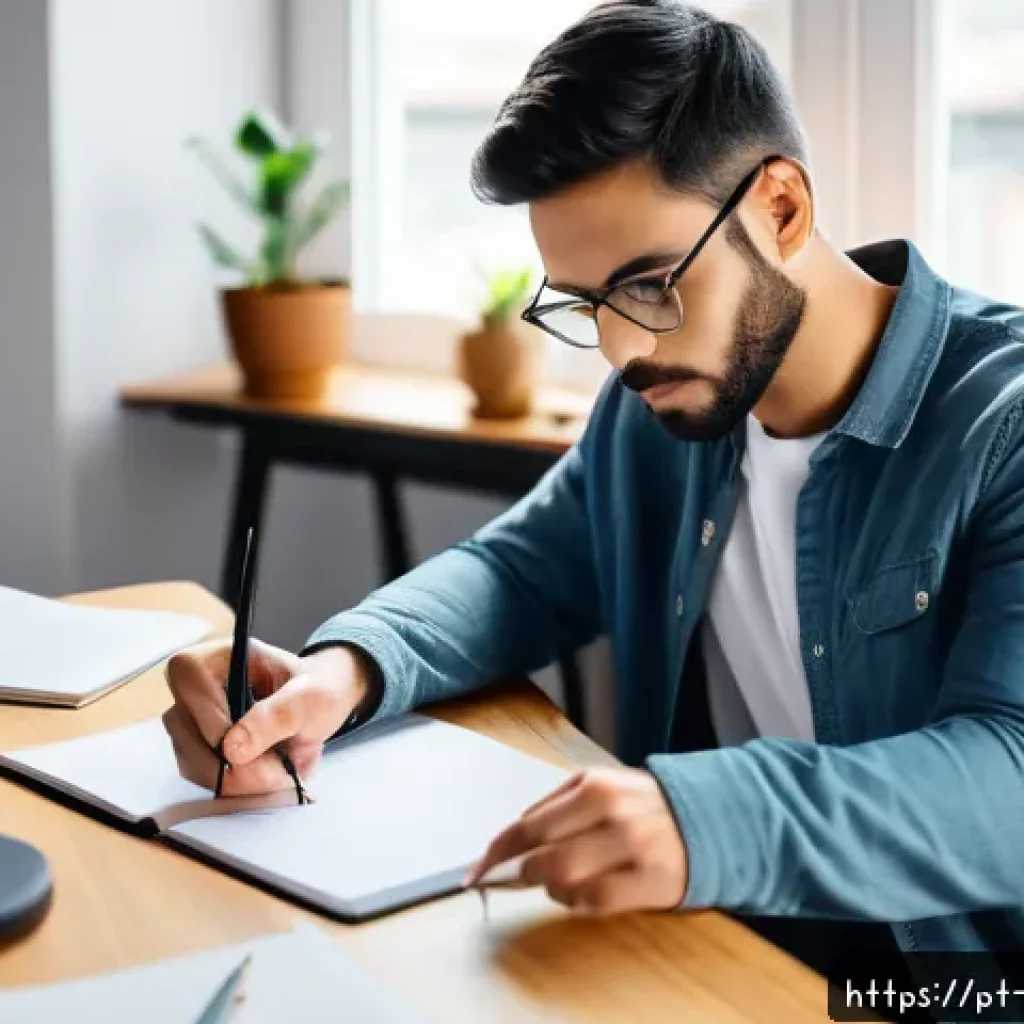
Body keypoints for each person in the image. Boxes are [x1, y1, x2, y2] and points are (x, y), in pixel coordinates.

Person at [164, 0, 1024, 992]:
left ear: (780, 207)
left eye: (652, 284)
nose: (621, 349)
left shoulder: (999, 425)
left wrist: (701, 815)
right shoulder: (660, 410)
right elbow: (519, 571)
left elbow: (1006, 780)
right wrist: (341, 672)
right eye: (584, 304)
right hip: (706, 953)